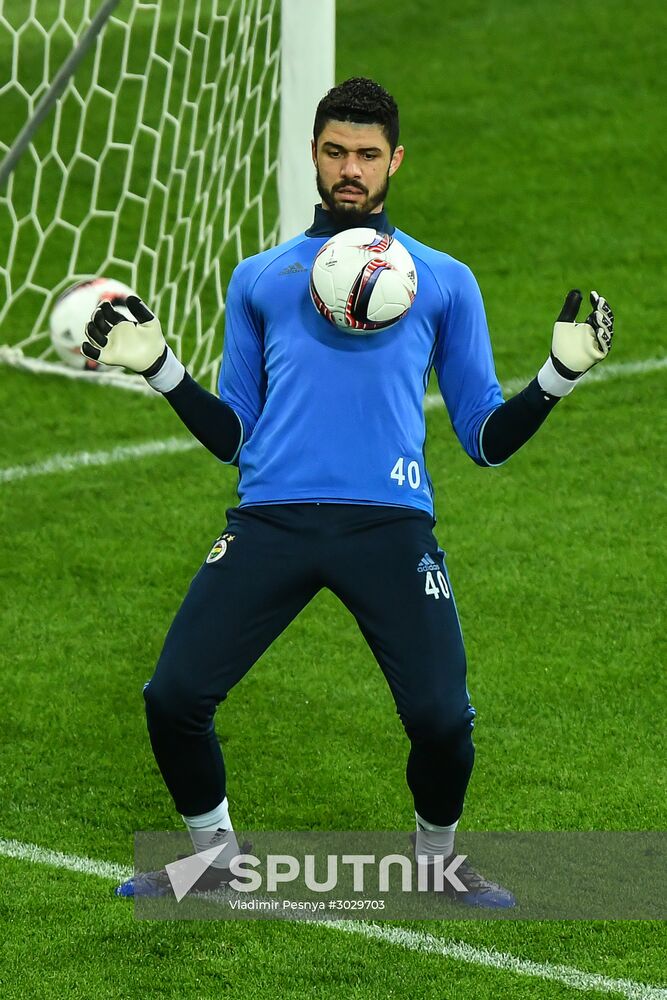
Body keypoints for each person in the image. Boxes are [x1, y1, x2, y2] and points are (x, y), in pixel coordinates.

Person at [82, 78, 614, 907]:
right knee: (174, 696)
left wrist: (558, 377)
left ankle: (434, 860)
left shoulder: (443, 280)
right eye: (336, 152)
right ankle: (215, 858)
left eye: (367, 154)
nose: (350, 170)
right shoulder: (259, 278)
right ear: (314, 156)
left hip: (389, 526)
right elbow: (234, 435)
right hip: (270, 522)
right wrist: (160, 369)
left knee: (443, 720)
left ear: (394, 160)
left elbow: (482, 439)